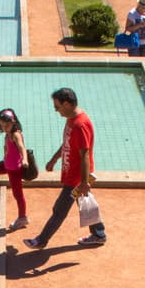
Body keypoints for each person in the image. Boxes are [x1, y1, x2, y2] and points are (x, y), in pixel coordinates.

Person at [23, 87, 107, 249]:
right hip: (75, 175)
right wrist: (54, 159)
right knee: (85, 204)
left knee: (59, 210)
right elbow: (68, 143)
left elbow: (84, 155)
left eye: (58, 107)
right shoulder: (72, 120)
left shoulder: (80, 125)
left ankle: (41, 241)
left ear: (67, 104)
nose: (56, 110)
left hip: (76, 178)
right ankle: (99, 234)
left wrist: (83, 182)